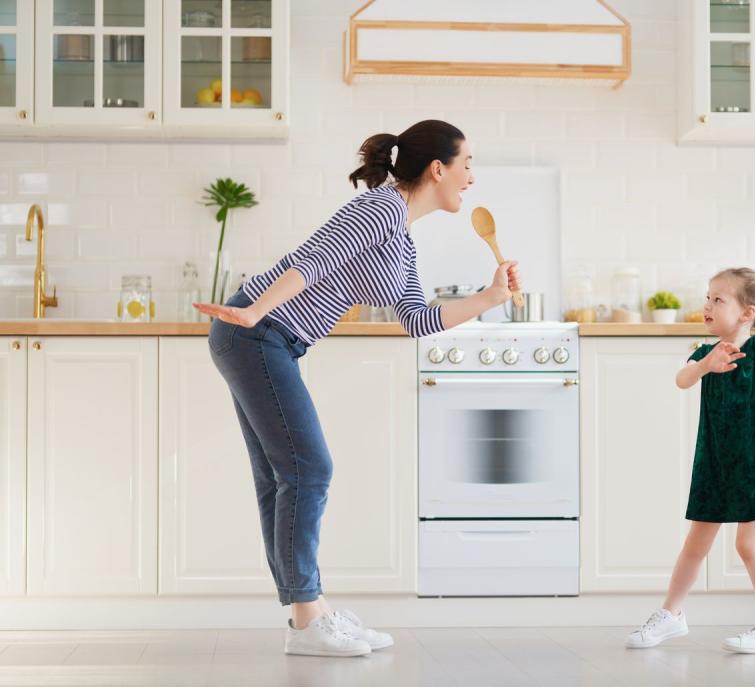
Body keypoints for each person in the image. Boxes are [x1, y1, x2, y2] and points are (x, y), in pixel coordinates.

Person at [194, 120, 522, 657]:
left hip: (269, 339)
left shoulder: (402, 238)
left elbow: (416, 318)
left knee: (285, 475)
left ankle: (311, 613)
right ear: (438, 169)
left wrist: (488, 298)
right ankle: (306, 619)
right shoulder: (379, 209)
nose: (471, 178)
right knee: (308, 469)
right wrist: (255, 310)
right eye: (466, 166)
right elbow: (314, 259)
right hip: (257, 332)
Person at [625, 267, 755, 654]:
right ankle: (671, 615)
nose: (708, 306)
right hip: (716, 463)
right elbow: (682, 379)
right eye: (707, 298)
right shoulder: (706, 353)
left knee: (748, 545)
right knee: (694, 545)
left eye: (718, 299)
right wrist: (704, 365)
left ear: (747, 313)